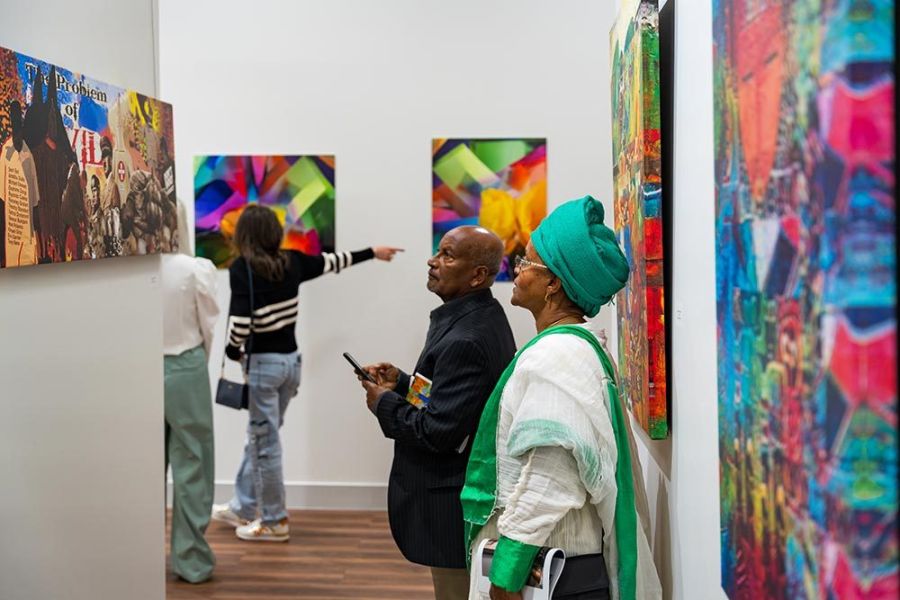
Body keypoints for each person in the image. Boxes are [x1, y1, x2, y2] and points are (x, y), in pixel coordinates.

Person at [461, 196, 662, 600]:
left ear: (553, 283)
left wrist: (507, 572)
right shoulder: (571, 348)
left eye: (527, 263)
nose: (516, 270)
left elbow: (552, 473)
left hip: (552, 574)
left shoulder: (558, 356)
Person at [212, 204, 402, 542]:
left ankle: (274, 521)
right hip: (290, 365)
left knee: (264, 441)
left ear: (244, 235)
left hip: (263, 367)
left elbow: (239, 324)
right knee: (262, 437)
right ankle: (242, 505)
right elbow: (333, 261)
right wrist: (373, 252)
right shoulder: (293, 262)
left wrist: (230, 351)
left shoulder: (243, 268)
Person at [358, 226, 517, 600]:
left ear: (477, 274)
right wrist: (402, 384)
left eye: (447, 255)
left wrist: (383, 402)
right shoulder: (474, 316)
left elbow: (437, 432)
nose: (432, 261)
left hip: (450, 500)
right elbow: (450, 400)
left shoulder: (467, 337)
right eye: (437, 252)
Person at [161, 202, 219, 583]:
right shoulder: (193, 269)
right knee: (193, 461)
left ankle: (132, 552)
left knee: (139, 465)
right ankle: (191, 560)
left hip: (135, 369)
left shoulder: (124, 270)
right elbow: (208, 325)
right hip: (185, 363)